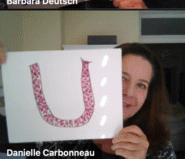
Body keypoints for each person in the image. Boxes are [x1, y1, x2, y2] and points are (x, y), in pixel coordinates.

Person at [15, 43, 176, 159]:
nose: (129, 92)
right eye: (122, 78)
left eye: (141, 85)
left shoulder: (159, 146)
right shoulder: (64, 127)